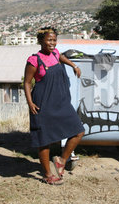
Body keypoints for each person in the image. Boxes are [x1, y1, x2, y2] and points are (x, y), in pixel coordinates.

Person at [23, 26, 85, 185]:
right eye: (49, 40)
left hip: (60, 102)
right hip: (42, 103)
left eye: (54, 40)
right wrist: (30, 102)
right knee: (44, 140)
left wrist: (74, 65)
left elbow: (61, 57)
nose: (52, 43)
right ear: (41, 41)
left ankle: (61, 160)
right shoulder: (34, 60)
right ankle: (48, 174)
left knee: (78, 131)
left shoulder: (56, 53)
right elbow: (27, 83)